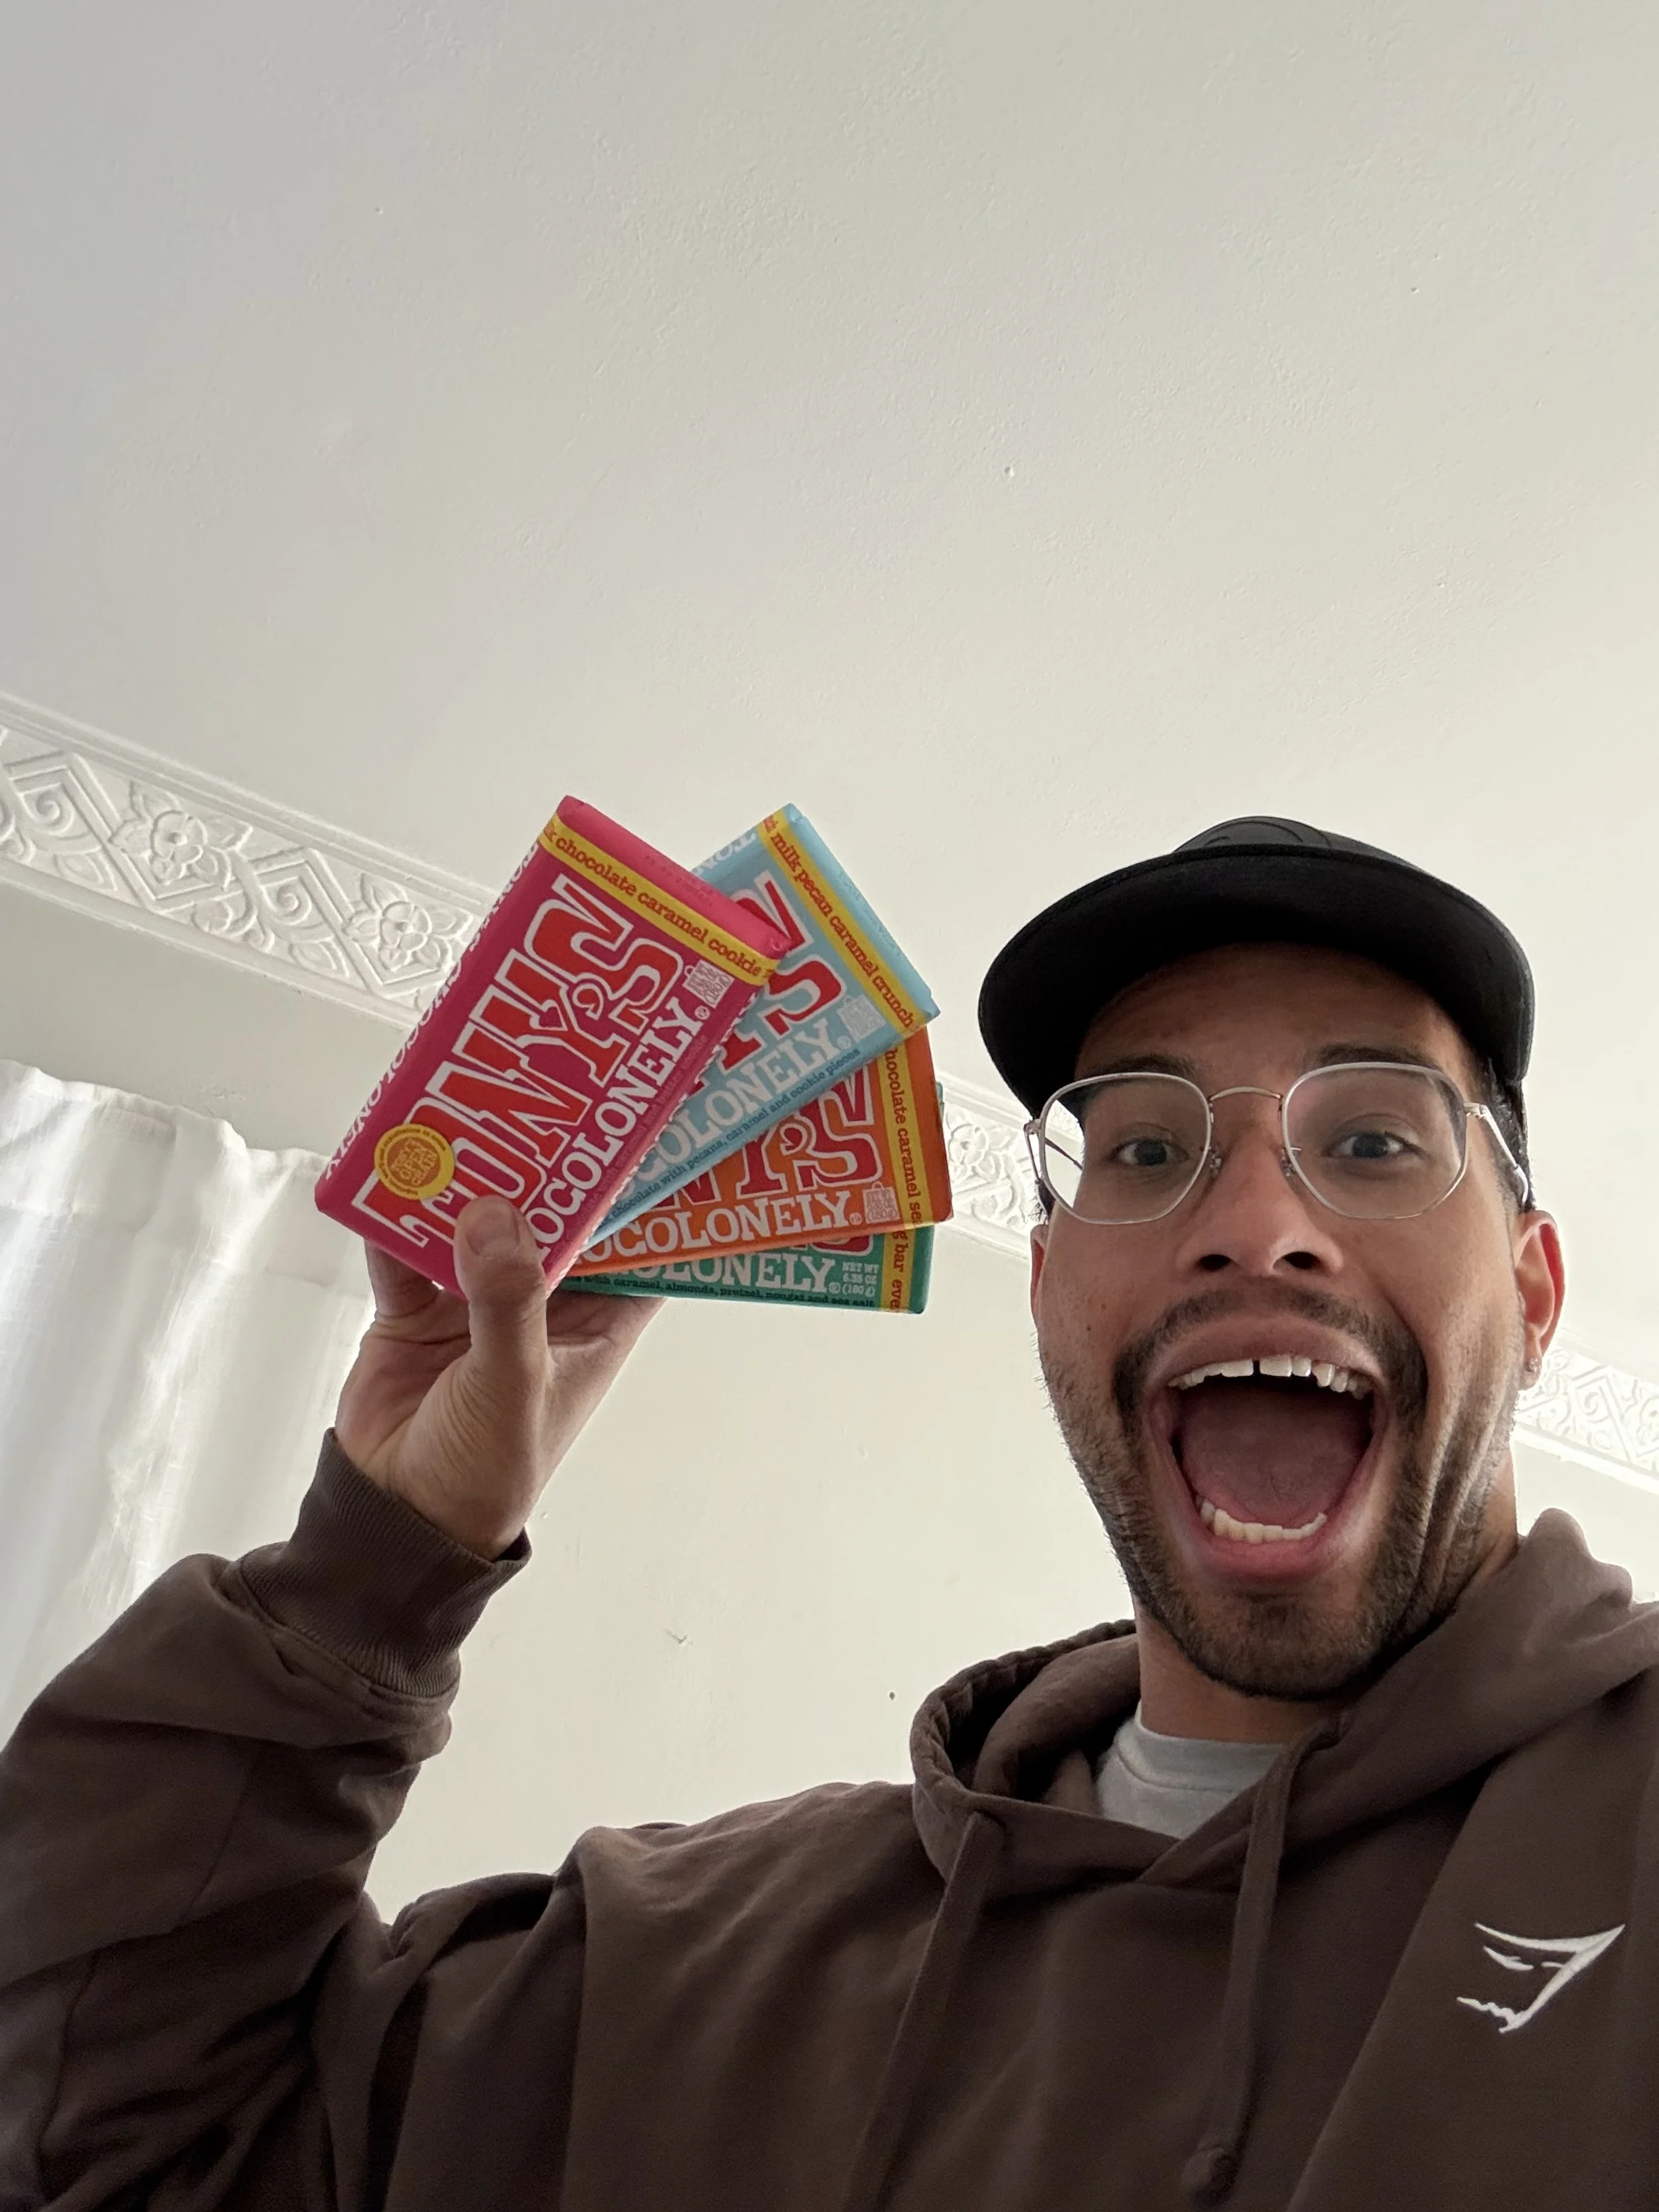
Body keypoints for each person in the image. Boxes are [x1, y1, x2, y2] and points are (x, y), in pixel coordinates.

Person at [1, 815, 1653, 2212]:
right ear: (1053, 1295)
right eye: (1139, 1147)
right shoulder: (663, 1970)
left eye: (1368, 1138)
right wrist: (374, 1566)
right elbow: (97, 2146)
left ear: (1530, 1287)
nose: (1250, 1223)